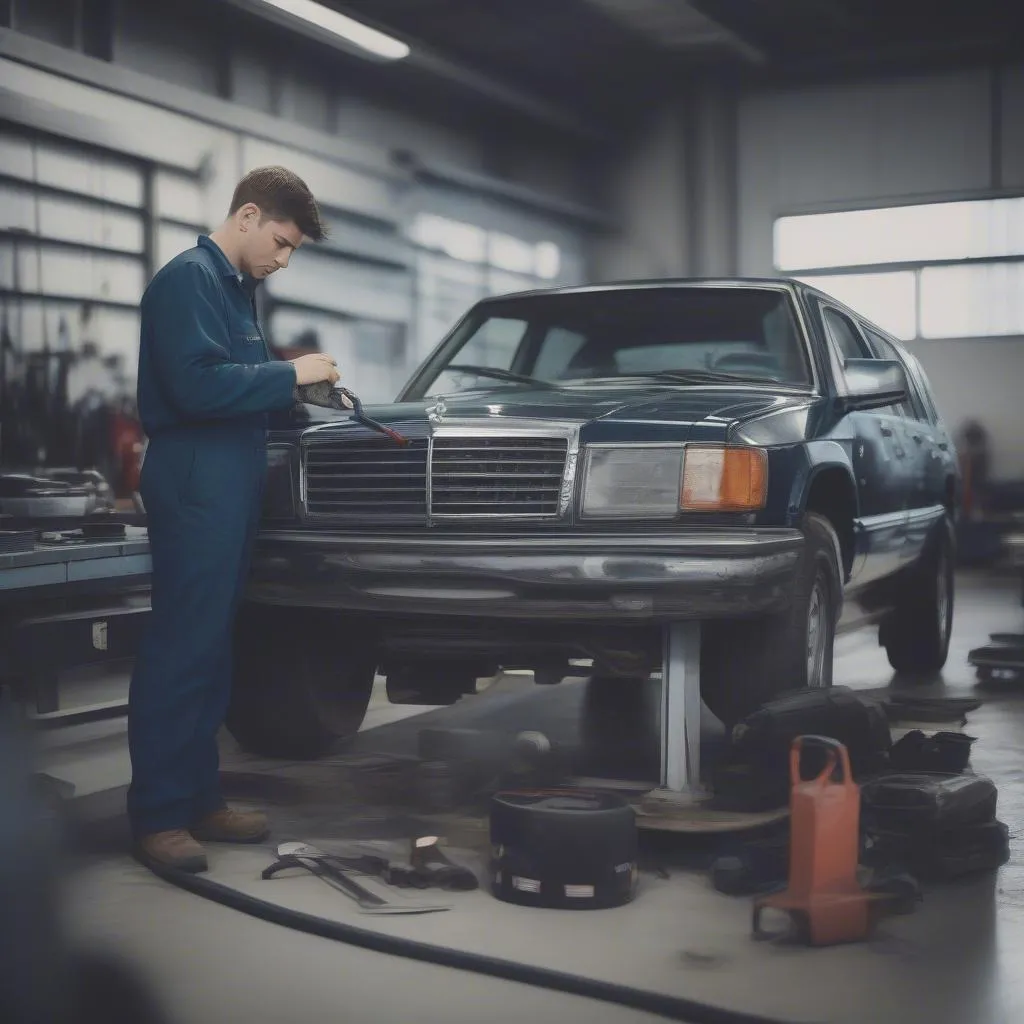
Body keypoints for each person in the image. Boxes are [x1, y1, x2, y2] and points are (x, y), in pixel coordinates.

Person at [128, 166, 340, 873]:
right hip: (195, 478)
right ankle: (159, 815)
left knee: (214, 647)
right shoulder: (187, 280)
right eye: (281, 243)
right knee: (182, 647)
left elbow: (237, 386)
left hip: (230, 477)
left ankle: (198, 798)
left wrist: (304, 394)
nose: (283, 259)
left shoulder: (236, 291)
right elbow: (194, 386)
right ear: (248, 215)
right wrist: (293, 372)